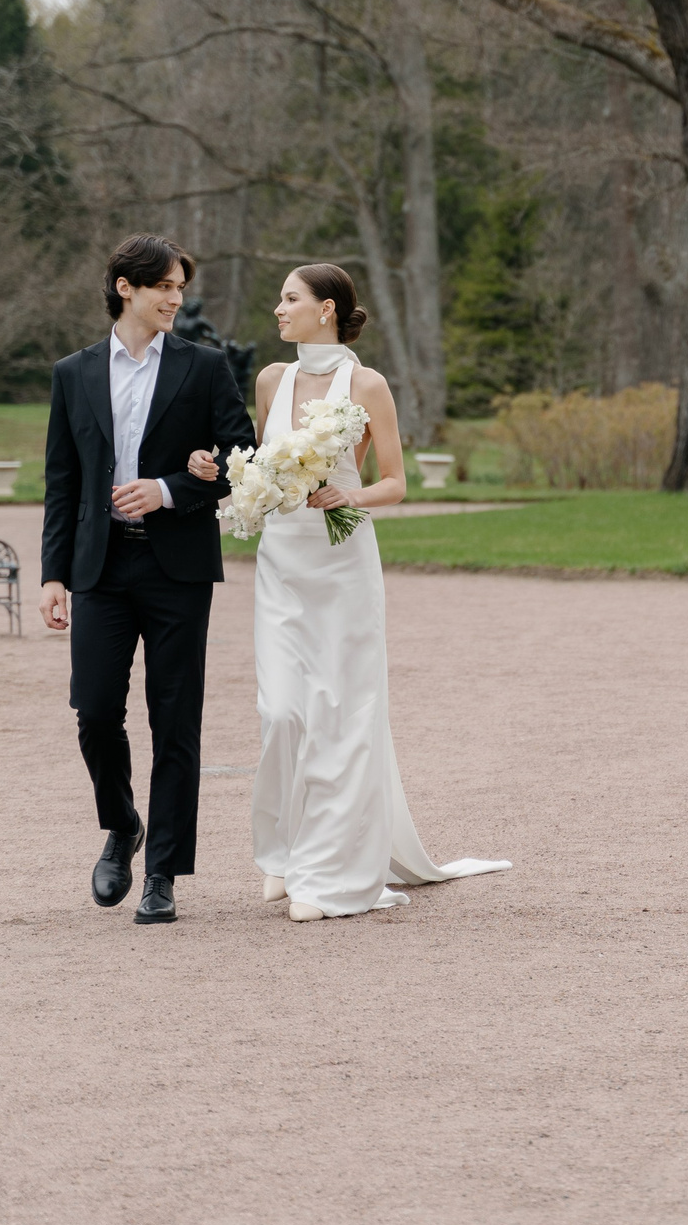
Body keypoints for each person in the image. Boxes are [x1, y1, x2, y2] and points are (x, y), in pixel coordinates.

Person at [187, 264, 508, 922]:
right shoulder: (272, 380)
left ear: (326, 308)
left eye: (290, 298)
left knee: (339, 717)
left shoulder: (367, 385)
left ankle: (328, 874)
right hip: (281, 564)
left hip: (342, 566)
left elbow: (396, 482)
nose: (277, 309)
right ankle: (280, 854)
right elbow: (264, 463)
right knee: (281, 713)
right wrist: (225, 473)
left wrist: (349, 494)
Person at [40, 235, 257, 926]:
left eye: (180, 288)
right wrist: (53, 574)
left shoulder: (204, 367)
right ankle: (122, 823)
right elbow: (62, 482)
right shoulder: (73, 374)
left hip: (177, 568)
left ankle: (162, 870)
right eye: (163, 285)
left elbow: (241, 456)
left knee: (175, 720)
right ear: (124, 287)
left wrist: (170, 488)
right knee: (96, 709)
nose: (175, 298)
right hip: (99, 568)